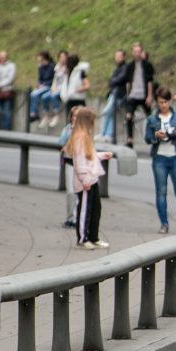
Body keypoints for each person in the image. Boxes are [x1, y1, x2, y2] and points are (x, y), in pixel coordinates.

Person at [64, 107, 113, 249]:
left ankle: (93, 236)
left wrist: (102, 155)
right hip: (86, 180)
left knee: (96, 208)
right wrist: (84, 178)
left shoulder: (85, 136)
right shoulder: (80, 137)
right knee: (85, 209)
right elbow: (79, 161)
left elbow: (89, 156)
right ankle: (83, 238)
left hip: (92, 178)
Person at [145, 87, 176, 234]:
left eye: (165, 102)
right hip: (159, 158)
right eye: (160, 102)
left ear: (170, 102)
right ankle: (164, 224)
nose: (163, 105)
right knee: (161, 192)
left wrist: (175, 135)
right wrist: (155, 135)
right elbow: (147, 138)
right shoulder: (152, 119)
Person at [123, 43, 155, 148]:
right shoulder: (130, 66)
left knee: (149, 116)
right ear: (132, 53)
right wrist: (128, 95)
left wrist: (150, 96)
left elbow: (150, 81)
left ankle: (152, 137)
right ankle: (130, 139)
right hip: (133, 95)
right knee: (128, 116)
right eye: (135, 52)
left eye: (139, 52)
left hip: (144, 94)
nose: (137, 54)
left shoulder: (147, 65)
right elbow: (127, 82)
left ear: (141, 52)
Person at [97, 49, 127, 143]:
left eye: (119, 56)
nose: (118, 58)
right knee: (110, 114)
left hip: (118, 94)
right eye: (116, 56)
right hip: (113, 93)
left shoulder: (125, 67)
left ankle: (104, 133)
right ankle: (107, 134)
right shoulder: (117, 68)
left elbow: (118, 79)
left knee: (107, 112)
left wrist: (113, 81)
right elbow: (111, 80)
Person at [58, 106, 80, 228]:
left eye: (78, 116)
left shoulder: (84, 131)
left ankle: (77, 217)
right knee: (70, 191)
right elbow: (61, 144)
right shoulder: (67, 130)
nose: (76, 118)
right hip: (70, 162)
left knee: (79, 192)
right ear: (71, 117)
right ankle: (70, 217)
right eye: (74, 116)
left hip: (80, 164)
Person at [41, 50, 68, 128]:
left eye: (64, 57)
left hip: (63, 89)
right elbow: (55, 80)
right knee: (44, 97)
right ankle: (47, 116)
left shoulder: (68, 67)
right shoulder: (57, 67)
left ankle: (57, 115)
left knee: (53, 96)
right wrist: (53, 88)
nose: (63, 59)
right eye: (61, 57)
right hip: (56, 88)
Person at [0, 51, 17, 130]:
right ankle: (0, 128)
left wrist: (0, 85)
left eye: (3, 57)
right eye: (0, 57)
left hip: (7, 90)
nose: (2, 59)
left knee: (7, 111)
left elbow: (10, 79)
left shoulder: (12, 66)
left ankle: (6, 128)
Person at [28, 51, 55, 124]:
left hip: (49, 86)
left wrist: (44, 84)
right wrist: (39, 84)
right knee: (33, 94)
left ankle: (34, 113)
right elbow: (40, 79)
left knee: (36, 94)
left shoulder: (52, 66)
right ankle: (33, 113)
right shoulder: (40, 67)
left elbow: (53, 79)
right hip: (42, 86)